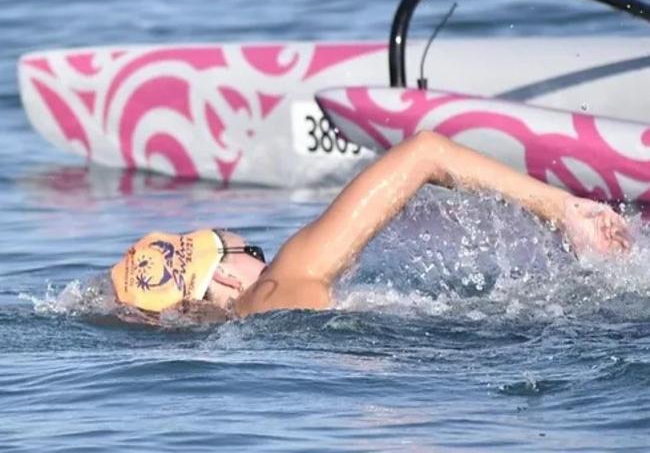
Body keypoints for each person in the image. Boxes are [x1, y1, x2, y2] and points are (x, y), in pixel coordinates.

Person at [106, 130, 631, 320]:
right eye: (243, 246)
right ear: (221, 276)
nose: (258, 250)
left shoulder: (251, 326)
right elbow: (425, 152)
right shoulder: (286, 277)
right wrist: (564, 210)